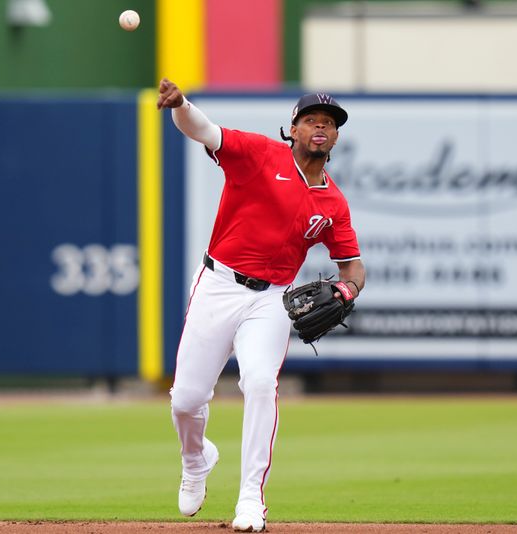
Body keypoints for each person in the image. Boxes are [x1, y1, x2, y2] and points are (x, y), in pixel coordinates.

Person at [157, 78, 365, 532]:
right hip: (219, 284)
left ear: (336, 138)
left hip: (272, 298)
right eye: (311, 119)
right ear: (292, 128)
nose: (320, 128)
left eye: (329, 123)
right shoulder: (257, 154)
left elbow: (353, 269)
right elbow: (203, 130)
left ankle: (251, 497)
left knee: (258, 382)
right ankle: (196, 460)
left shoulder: (334, 203)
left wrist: (347, 292)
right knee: (185, 401)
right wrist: (181, 104)